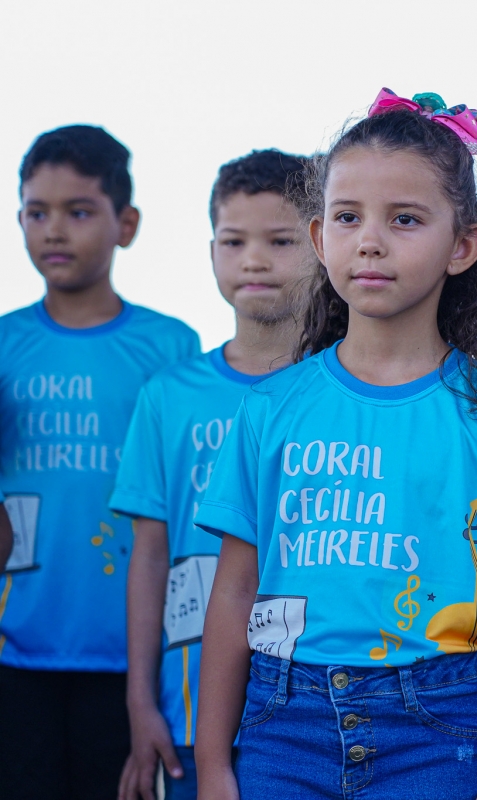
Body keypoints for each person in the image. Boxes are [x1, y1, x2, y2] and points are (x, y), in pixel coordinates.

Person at [193, 89, 477, 800]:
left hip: (439, 726)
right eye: (348, 217)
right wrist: (212, 766)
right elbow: (234, 590)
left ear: (462, 246)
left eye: (404, 219)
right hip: (282, 727)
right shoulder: (270, 407)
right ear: (319, 239)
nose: (370, 240)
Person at [0, 125, 200, 798]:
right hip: (14, 650)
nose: (54, 230)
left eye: (79, 211)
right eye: (36, 212)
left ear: (126, 224)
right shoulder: (4, 345)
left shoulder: (171, 348)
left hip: (132, 658)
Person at [110, 149, 310, 800]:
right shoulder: (169, 396)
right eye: (234, 241)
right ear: (212, 251)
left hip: (316, 716)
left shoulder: (341, 391)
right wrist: (141, 703)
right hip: (190, 713)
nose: (254, 260)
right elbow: (149, 557)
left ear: (320, 245)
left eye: (280, 241)